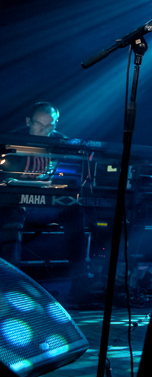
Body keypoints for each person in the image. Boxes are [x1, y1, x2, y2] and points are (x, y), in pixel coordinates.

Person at [1, 102, 90, 303]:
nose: (45, 130)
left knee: (73, 210)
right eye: (39, 125)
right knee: (13, 211)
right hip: (15, 202)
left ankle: (80, 285)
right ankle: (11, 286)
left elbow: (69, 174)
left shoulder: (61, 142)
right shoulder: (11, 140)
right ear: (28, 122)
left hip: (43, 204)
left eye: (50, 125)